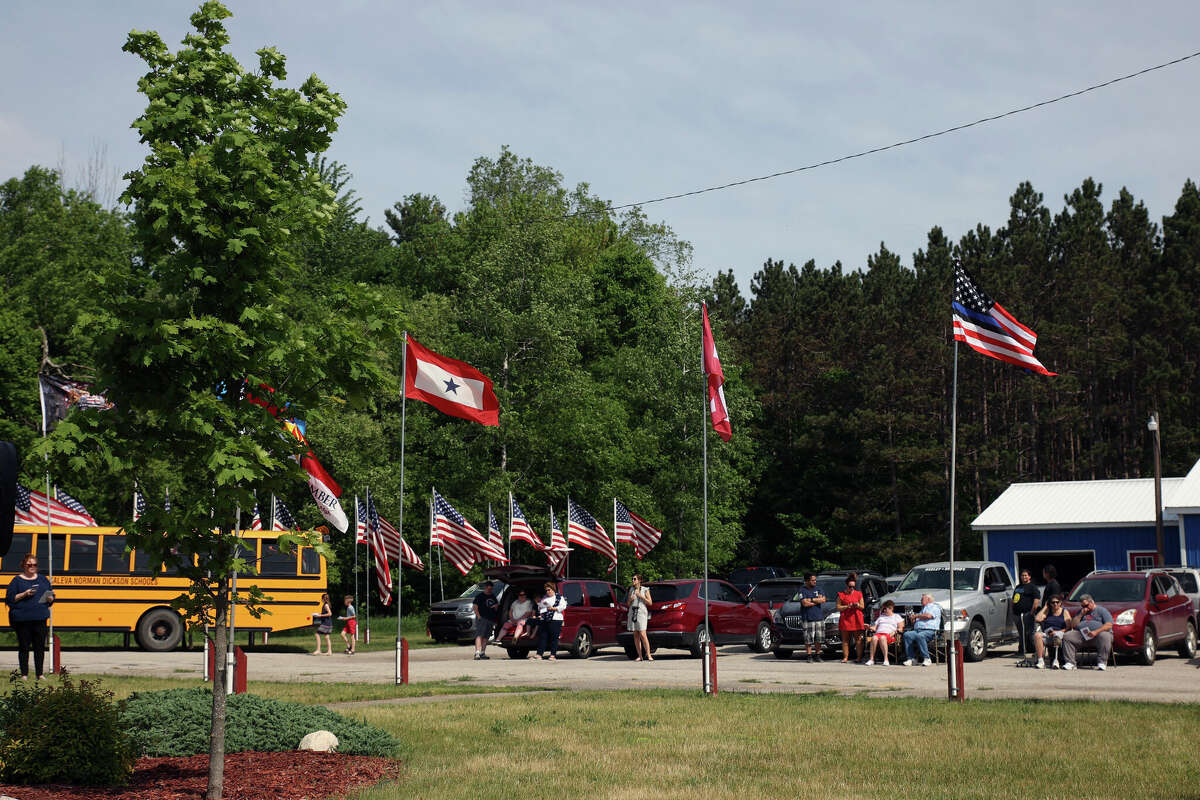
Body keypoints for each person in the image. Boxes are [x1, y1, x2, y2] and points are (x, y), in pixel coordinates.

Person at [5, 553, 54, 679]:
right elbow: (10, 599)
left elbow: (51, 597)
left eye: (35, 565)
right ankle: (24, 674)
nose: (32, 567)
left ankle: (40, 674)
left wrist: (50, 598)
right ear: (24, 565)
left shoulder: (43, 579)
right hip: (22, 619)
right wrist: (24, 594)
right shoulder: (16, 581)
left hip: (40, 618)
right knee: (24, 647)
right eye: (29, 565)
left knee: (39, 648)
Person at [1061, 593, 1113, 671]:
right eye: (1082, 606)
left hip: (1098, 636)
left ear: (1092, 602)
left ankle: (1102, 662)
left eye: (1086, 605)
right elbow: (1073, 625)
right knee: (1067, 636)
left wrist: (1096, 632)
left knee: (1105, 635)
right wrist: (1080, 615)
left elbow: (1109, 625)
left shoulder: (1102, 610)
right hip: (1083, 636)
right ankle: (1070, 663)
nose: (1085, 608)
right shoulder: (1081, 612)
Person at [1033, 594, 1071, 669]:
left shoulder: (1064, 611)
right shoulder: (1047, 611)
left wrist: (1058, 631)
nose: (1055, 604)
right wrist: (1045, 607)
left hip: (1060, 634)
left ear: (1060, 603)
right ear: (1050, 604)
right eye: (1053, 602)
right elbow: (1037, 619)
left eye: (1057, 602)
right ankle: (1041, 661)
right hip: (1048, 634)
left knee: (1056, 636)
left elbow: (1069, 627)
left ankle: (1056, 660)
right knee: (1037, 635)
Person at [902, 593, 940, 666]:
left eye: (922, 599)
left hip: (930, 631)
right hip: (918, 630)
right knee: (907, 635)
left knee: (920, 636)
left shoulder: (935, 607)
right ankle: (911, 658)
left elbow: (928, 616)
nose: (920, 600)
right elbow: (918, 621)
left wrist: (916, 616)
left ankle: (927, 658)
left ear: (928, 600)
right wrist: (913, 619)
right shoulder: (923, 609)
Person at [533, 582, 568, 661]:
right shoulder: (544, 598)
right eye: (546, 590)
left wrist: (554, 608)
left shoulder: (559, 597)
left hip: (556, 619)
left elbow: (563, 606)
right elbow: (541, 608)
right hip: (545, 619)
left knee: (554, 638)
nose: (547, 592)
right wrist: (541, 608)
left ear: (553, 589)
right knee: (543, 637)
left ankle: (553, 655)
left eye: (549, 590)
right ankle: (539, 654)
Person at [1012, 569, 1040, 663]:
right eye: (1022, 575)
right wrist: (1013, 610)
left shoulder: (1032, 587)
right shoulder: (1018, 587)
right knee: (1021, 633)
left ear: (1029, 577)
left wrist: (1032, 612)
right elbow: (1014, 599)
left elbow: (1036, 600)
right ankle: (1021, 650)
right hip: (1017, 614)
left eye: (1025, 575)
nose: (1024, 577)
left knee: (1030, 633)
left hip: (1028, 613)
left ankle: (1035, 650)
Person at [836, 573, 865, 663]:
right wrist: (847, 606)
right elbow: (838, 607)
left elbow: (862, 606)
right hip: (846, 619)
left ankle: (859, 657)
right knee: (845, 640)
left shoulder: (858, 594)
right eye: (850, 586)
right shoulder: (841, 595)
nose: (852, 588)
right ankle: (845, 657)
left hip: (856, 618)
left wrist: (857, 605)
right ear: (846, 585)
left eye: (853, 587)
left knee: (858, 639)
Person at [797, 573, 826, 662]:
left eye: (815, 580)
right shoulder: (802, 590)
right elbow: (804, 603)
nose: (815, 582)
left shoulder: (819, 589)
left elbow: (823, 599)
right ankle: (809, 655)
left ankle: (817, 655)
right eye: (812, 580)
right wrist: (817, 601)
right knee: (808, 638)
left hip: (819, 617)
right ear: (807, 581)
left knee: (819, 638)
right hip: (808, 617)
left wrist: (812, 600)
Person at [865, 599, 904, 666]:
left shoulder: (896, 616)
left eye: (885, 609)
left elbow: (901, 628)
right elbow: (875, 628)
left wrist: (894, 632)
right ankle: (871, 659)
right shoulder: (881, 617)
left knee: (882, 638)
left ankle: (886, 659)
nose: (884, 611)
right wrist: (869, 627)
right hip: (878, 634)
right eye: (883, 609)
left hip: (889, 635)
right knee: (874, 637)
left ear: (891, 608)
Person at [626, 574, 653, 662]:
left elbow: (650, 603)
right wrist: (631, 599)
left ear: (639, 580)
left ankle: (648, 655)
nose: (633, 580)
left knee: (642, 634)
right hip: (633, 612)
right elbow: (628, 604)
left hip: (641, 613)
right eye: (632, 579)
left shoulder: (645, 590)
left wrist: (641, 596)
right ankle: (640, 656)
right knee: (636, 634)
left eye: (634, 579)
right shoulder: (631, 589)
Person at [472, 581, 500, 660]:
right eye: (488, 588)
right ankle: (477, 653)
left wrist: (496, 606)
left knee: (486, 636)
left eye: (491, 589)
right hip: (482, 618)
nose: (490, 590)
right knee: (479, 635)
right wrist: (478, 616)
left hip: (490, 619)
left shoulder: (493, 596)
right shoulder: (480, 596)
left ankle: (482, 653)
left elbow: (496, 606)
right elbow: (475, 607)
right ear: (485, 587)